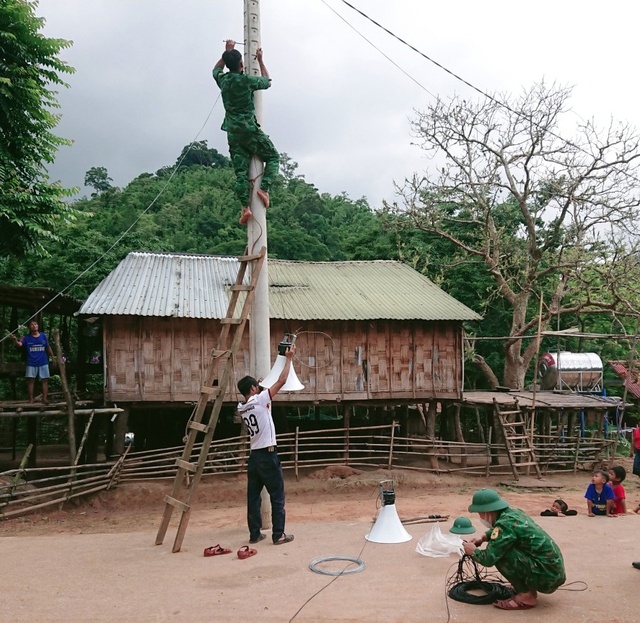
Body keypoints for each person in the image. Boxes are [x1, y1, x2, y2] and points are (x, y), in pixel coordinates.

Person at [462, 488, 565, 610]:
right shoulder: (514, 513)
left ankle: (525, 596)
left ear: (487, 511)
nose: (480, 517)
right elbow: (502, 530)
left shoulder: (504, 526)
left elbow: (488, 559)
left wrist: (473, 551)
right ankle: (529, 589)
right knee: (507, 547)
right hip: (552, 571)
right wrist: (483, 537)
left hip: (547, 578)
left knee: (500, 555)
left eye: (480, 513)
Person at [213, 39, 279, 225]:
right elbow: (267, 82)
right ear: (242, 64)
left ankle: (245, 207)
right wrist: (260, 60)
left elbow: (215, 70)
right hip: (249, 129)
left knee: (240, 173)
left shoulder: (223, 81)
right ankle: (264, 189)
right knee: (273, 156)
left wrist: (226, 52)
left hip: (233, 131)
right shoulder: (246, 81)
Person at [236, 343, 295, 545]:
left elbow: (257, 400)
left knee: (253, 498)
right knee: (277, 496)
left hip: (254, 457)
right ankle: (278, 534)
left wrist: (259, 387)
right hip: (268, 456)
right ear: (253, 388)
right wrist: (289, 359)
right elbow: (282, 380)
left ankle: (254, 534)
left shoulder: (242, 407)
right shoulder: (261, 400)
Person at [10, 320, 55, 404]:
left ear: (38, 325)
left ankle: (44, 399)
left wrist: (53, 357)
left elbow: (48, 347)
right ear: (29, 327)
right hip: (31, 362)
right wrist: (15, 340)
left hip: (43, 361)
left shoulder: (43, 336)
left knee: (45, 380)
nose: (34, 325)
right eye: (32, 324)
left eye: (35, 324)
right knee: (31, 380)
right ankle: (31, 399)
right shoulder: (26, 337)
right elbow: (19, 344)